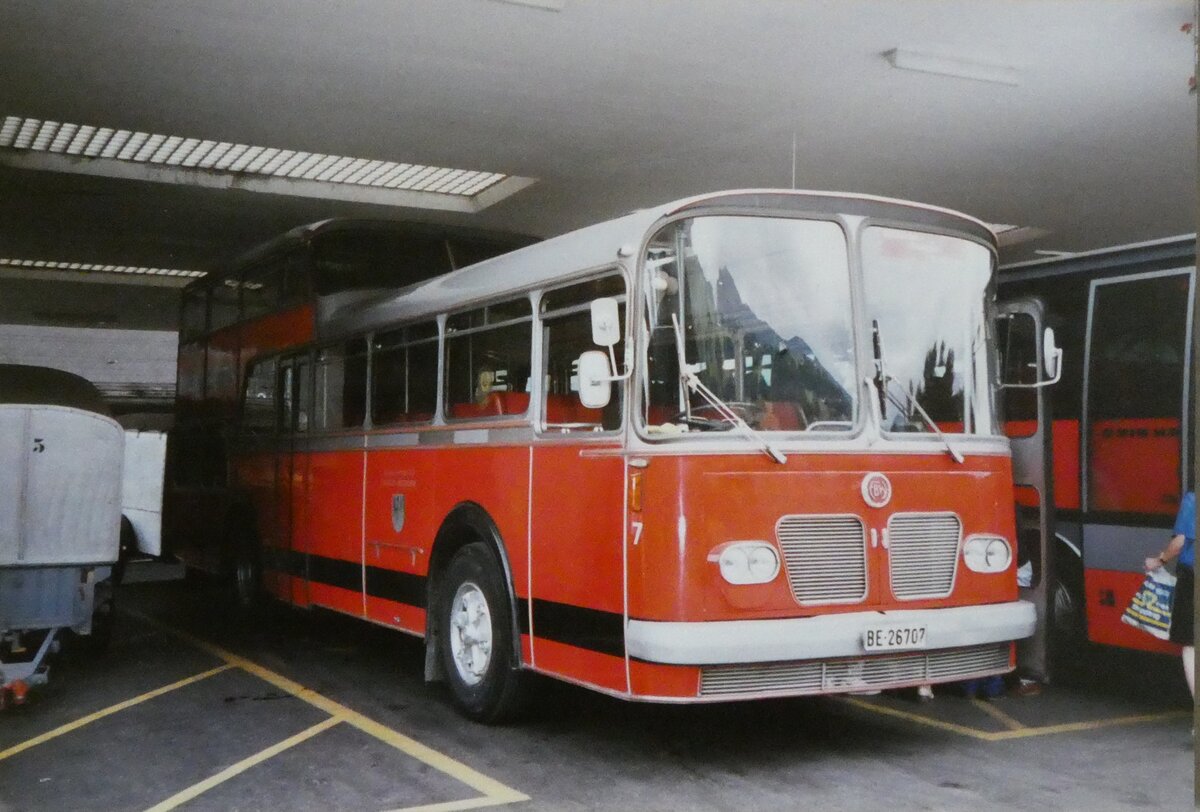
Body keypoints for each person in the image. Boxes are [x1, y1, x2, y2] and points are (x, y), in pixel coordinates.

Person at [1145, 490, 1196, 700]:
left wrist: (1159, 560)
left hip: (1193, 576)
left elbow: (1181, 541)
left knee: (1191, 645)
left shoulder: (1194, 498)